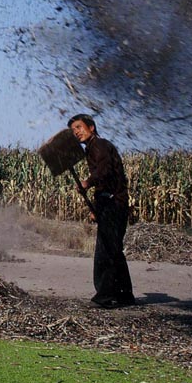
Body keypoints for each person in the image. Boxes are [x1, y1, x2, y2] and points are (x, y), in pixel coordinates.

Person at [68, 113, 136, 309]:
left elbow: (104, 171)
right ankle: (124, 295)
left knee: (105, 251)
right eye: (73, 131)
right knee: (113, 250)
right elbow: (105, 183)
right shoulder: (92, 149)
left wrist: (87, 183)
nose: (76, 133)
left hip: (114, 205)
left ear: (91, 127)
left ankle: (105, 296)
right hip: (110, 204)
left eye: (79, 128)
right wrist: (97, 208)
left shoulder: (100, 146)